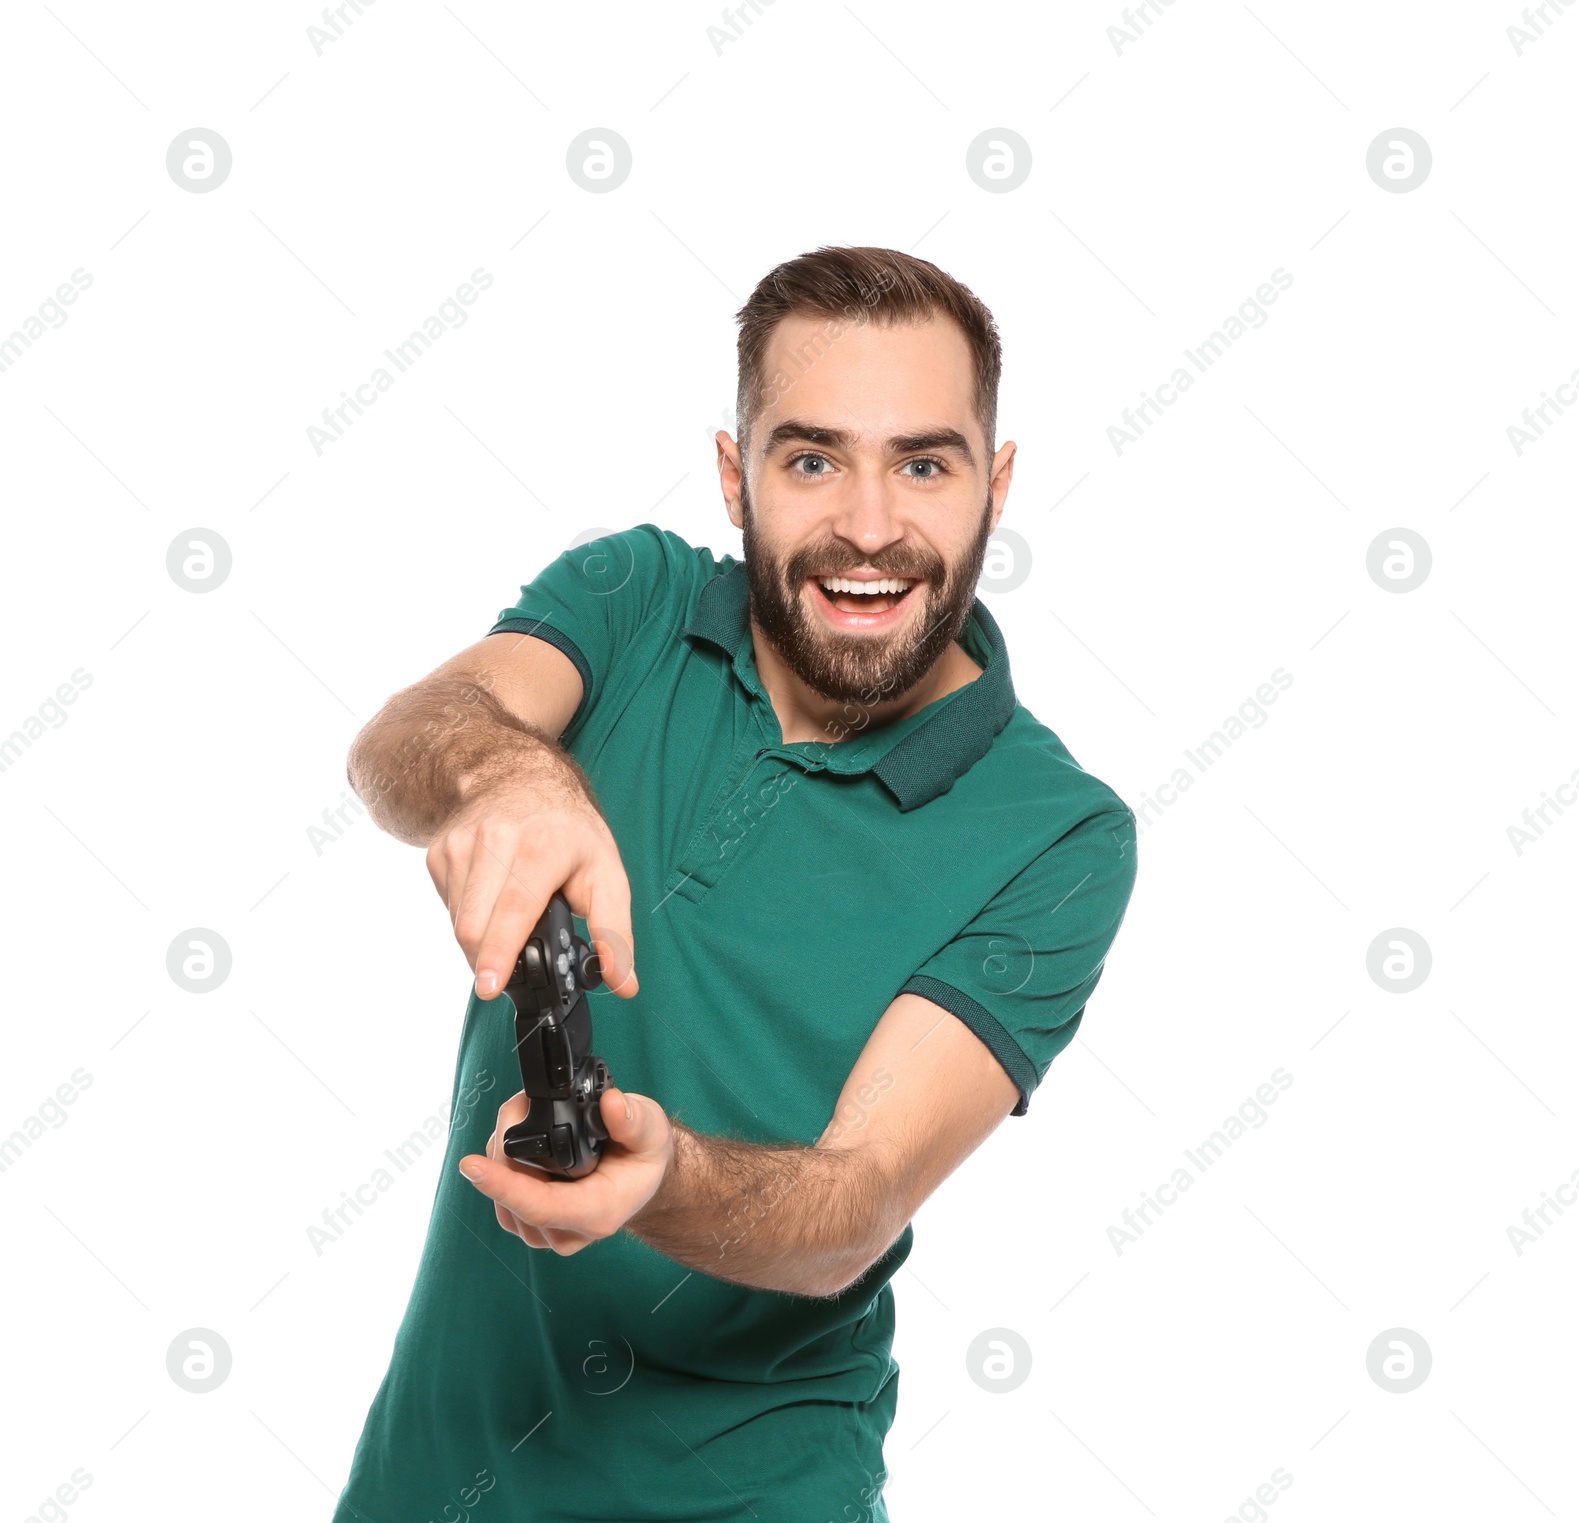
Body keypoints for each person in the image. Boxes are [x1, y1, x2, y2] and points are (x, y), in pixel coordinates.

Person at [334, 245, 1139, 1523]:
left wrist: (666, 1179)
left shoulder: (1058, 834)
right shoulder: (635, 599)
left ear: (995, 485)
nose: (870, 526)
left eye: (922, 464)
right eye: (812, 458)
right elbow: (406, 739)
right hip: (432, 1484)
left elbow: (853, 1200)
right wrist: (509, 774)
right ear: (734, 475)